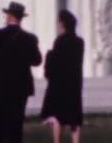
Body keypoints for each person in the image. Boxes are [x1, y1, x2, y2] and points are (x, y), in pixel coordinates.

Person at [0, 1, 42, 143]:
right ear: (21, 18)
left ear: (8, 16)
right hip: (20, 87)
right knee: (16, 125)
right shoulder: (29, 38)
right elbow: (37, 61)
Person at [41, 10, 85, 143]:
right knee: (74, 120)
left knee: (58, 117)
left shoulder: (60, 41)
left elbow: (56, 64)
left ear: (62, 24)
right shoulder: (79, 42)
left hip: (61, 85)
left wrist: (49, 55)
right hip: (74, 84)